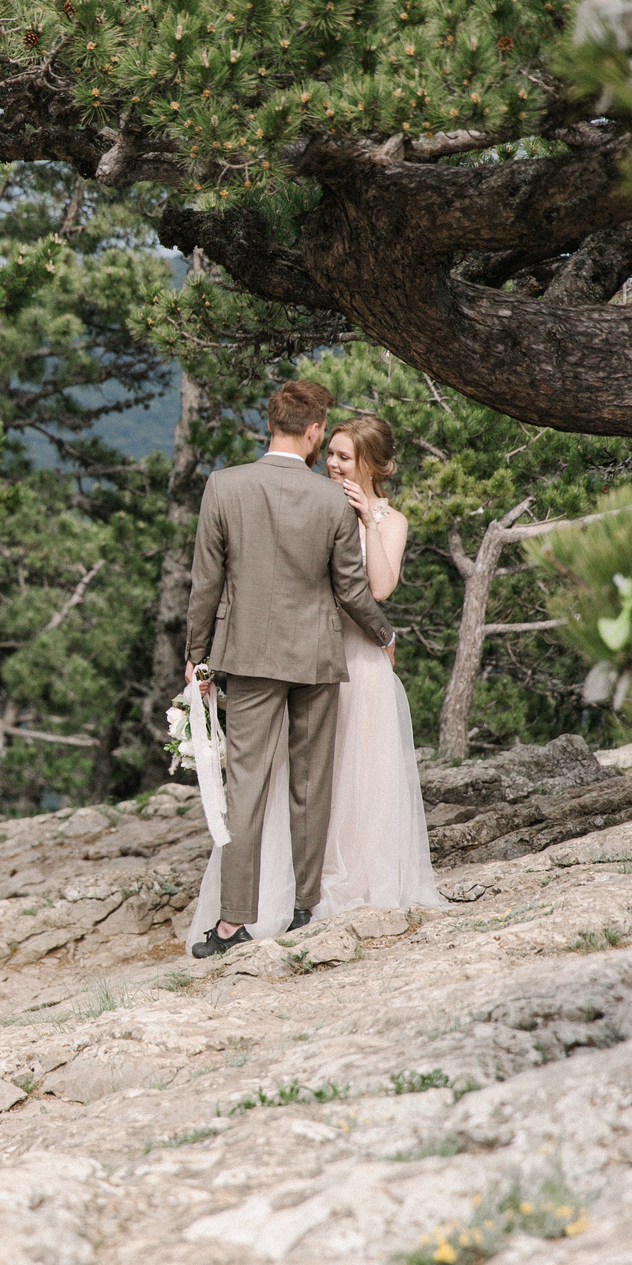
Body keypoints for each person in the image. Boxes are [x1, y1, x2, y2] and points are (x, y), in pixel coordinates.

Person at [181, 380, 393, 959]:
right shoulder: (333, 499)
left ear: (269, 421)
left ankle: (231, 926)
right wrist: (385, 634)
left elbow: (206, 583)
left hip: (247, 657)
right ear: (314, 430)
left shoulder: (224, 486)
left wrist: (196, 655)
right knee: (310, 783)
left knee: (245, 787)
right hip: (317, 657)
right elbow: (352, 589)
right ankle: (305, 908)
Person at [312, 414, 446, 917]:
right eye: (330, 453)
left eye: (343, 456)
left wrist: (368, 519)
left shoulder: (393, 521)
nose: (332, 463)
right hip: (317, 648)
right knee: (320, 765)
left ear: (370, 465)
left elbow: (381, 587)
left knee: (361, 767)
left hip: (361, 656)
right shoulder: (319, 505)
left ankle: (362, 873)